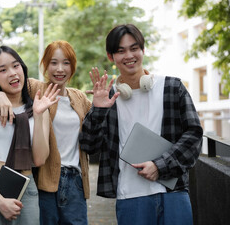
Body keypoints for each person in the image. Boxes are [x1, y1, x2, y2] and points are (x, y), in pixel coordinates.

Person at [0, 41, 113, 224]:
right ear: (45, 65)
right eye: (53, 62)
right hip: (45, 180)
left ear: (72, 66)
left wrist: (98, 107)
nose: (60, 69)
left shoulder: (79, 98)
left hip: (75, 182)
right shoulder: (34, 88)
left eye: (66, 63)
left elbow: (93, 137)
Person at [79, 24, 203, 225]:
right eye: (121, 51)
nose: (129, 55)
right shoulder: (108, 98)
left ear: (142, 51)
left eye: (134, 48)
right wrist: (98, 110)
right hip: (130, 198)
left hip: (173, 192)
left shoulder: (171, 87)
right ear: (111, 57)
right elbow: (88, 146)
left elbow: (194, 135)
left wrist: (160, 166)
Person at [0, 45, 60, 224]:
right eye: (3, 70)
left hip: (26, 190)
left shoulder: (38, 109)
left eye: (16, 66)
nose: (12, 73)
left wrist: (38, 117)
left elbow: (39, 160)